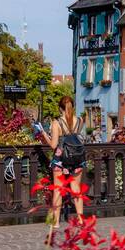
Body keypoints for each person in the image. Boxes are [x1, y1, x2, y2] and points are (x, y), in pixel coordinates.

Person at [37, 95, 86, 241]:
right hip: (77, 159)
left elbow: (53, 145)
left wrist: (44, 134)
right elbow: (82, 140)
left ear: (60, 108)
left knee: (58, 190)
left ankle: (56, 222)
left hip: (60, 160)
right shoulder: (80, 121)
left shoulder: (56, 122)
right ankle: (81, 220)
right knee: (76, 189)